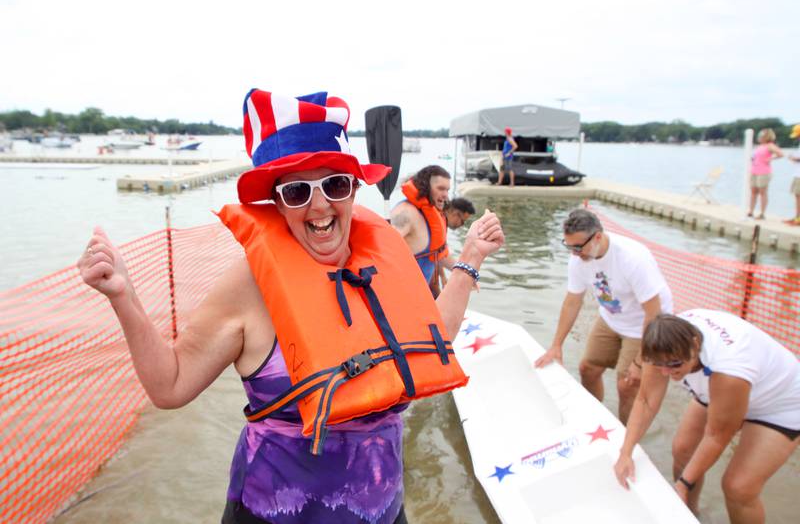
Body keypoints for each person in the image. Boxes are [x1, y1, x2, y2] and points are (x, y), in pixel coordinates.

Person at [77, 89, 505, 524]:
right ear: (277, 202)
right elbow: (170, 386)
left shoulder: (384, 262)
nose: (318, 205)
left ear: (354, 189)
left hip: (382, 510)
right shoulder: (249, 286)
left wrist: (469, 260)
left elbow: (433, 342)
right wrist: (124, 297)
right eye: (298, 191)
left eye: (335, 185)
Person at [614, 310, 799, 523]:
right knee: (682, 450)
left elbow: (716, 436)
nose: (666, 373)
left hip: (779, 404)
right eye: (659, 366)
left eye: (675, 365)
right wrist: (626, 452)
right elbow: (645, 401)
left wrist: (684, 484)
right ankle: (691, 515)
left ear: (694, 344)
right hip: (718, 387)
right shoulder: (662, 343)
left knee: (738, 487)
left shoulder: (729, 369)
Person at [534, 209, 673, 424]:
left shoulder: (632, 258)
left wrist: (640, 361)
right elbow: (572, 302)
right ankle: (595, 420)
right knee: (587, 368)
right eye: (569, 246)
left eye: (578, 247)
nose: (574, 253)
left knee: (627, 383)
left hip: (644, 325)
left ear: (598, 236)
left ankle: (624, 435)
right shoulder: (578, 259)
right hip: (611, 317)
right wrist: (556, 345)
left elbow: (653, 314)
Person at [391, 165, 452, 295]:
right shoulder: (405, 213)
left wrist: (468, 271)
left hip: (421, 298)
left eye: (447, 190)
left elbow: (439, 254)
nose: (446, 195)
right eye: (441, 189)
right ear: (425, 186)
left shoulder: (432, 213)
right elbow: (382, 251)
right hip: (401, 297)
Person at [748, 128, 783, 219]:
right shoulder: (759, 146)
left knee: (763, 192)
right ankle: (751, 211)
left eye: (761, 136)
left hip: (764, 172)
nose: (759, 137)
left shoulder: (770, 145)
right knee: (753, 191)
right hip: (754, 170)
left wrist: (770, 159)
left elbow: (780, 154)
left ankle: (762, 213)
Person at [783, 124, 800, 226]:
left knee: (799, 197)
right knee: (797, 196)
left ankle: (798, 218)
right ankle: (796, 216)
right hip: (797, 174)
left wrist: (794, 159)